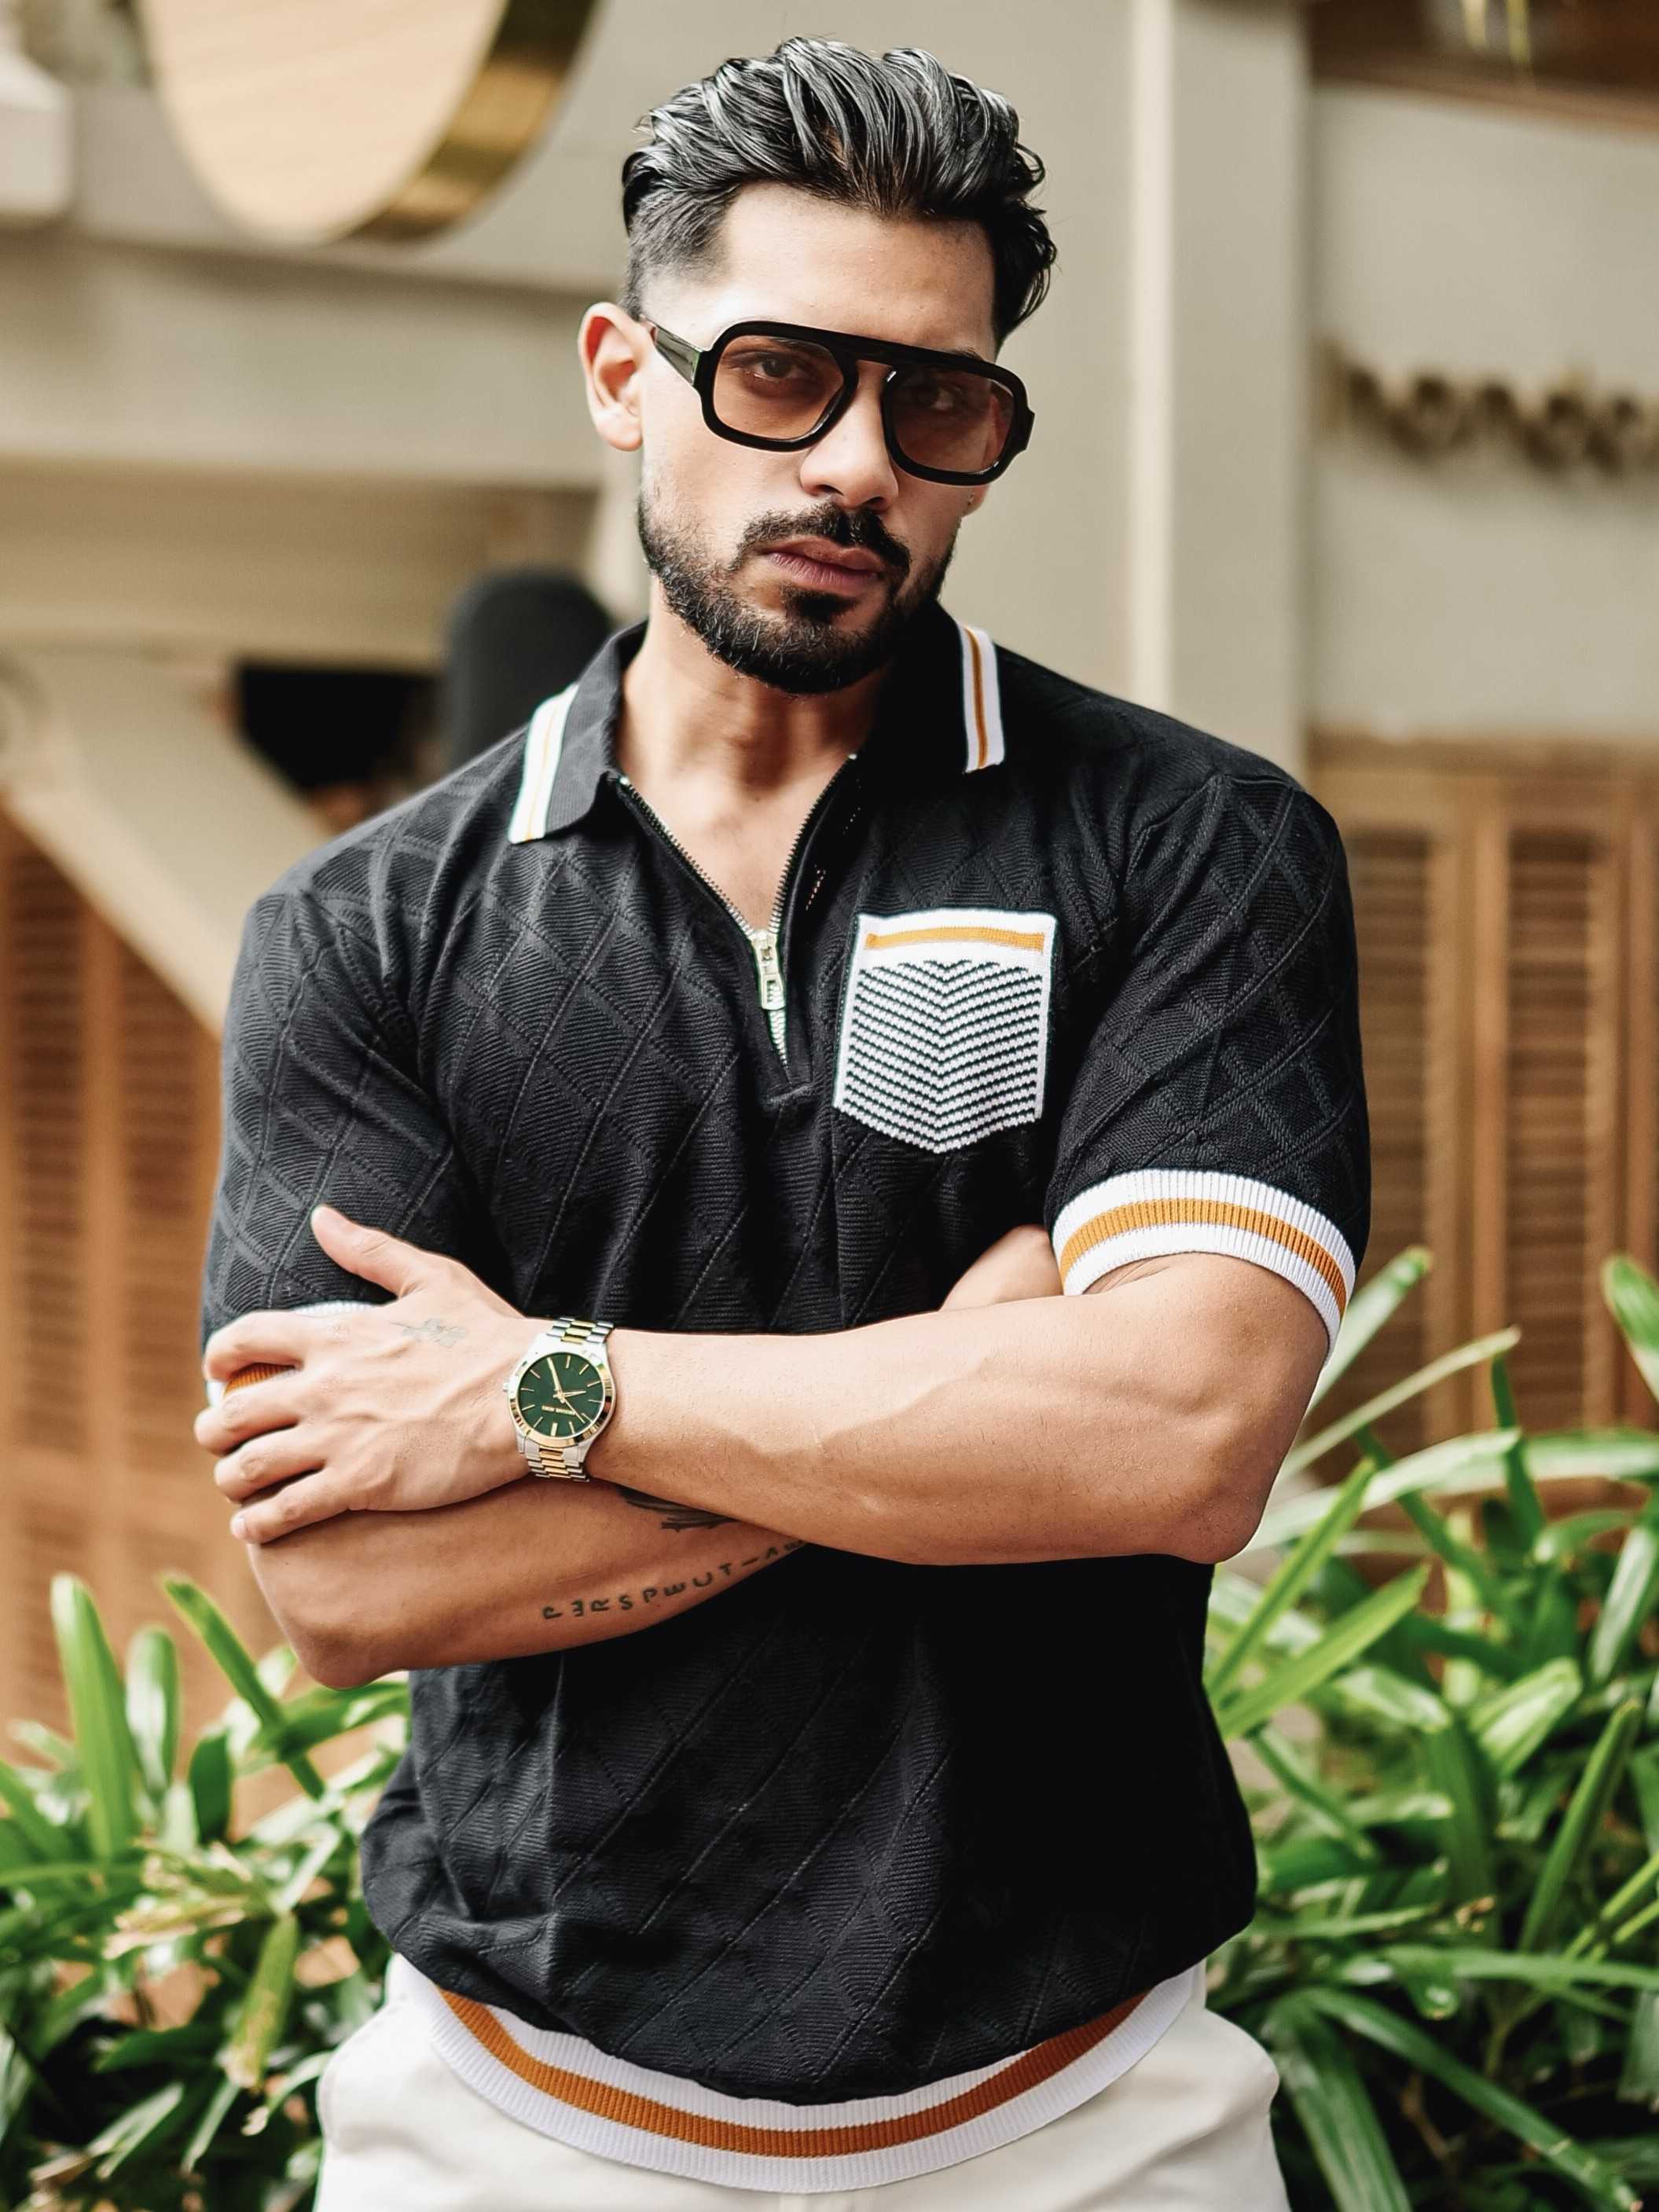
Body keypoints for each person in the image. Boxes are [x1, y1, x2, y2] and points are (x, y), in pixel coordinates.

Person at [195, 36, 1367, 2210]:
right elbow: (354, 1585)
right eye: (780, 378)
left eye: (937, 406)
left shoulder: (1192, 846)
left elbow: (1181, 1439)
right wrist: (968, 1379)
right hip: (513, 2129)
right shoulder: (366, 930)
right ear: (621, 373)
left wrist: (541, 1392)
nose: (853, 465)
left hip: (1087, 2122)